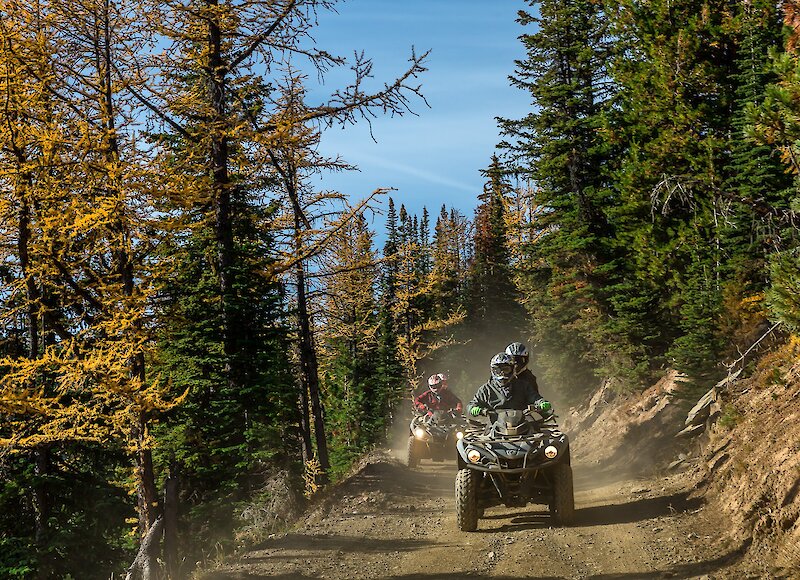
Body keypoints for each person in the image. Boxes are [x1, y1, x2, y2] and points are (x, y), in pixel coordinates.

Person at [467, 352, 552, 417]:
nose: (502, 374)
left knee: (552, 438)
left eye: (506, 369)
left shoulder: (523, 385)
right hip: (494, 426)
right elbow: (472, 404)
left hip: (523, 424)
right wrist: (473, 409)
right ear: (493, 371)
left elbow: (535, 398)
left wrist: (542, 403)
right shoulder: (486, 389)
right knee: (463, 440)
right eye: (498, 371)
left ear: (512, 370)